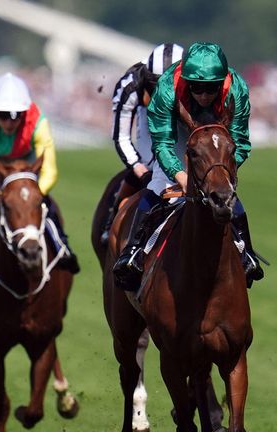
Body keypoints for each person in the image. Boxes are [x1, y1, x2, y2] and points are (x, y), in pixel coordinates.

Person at [113, 42, 263, 289]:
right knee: (161, 182)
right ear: (186, 81)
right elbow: (162, 144)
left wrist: (220, 172)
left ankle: (246, 252)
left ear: (222, 81)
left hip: (216, 130)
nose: (204, 95)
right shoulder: (166, 89)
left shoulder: (237, 89)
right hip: (177, 127)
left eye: (211, 89)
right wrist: (180, 175)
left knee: (224, 190)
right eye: (197, 88)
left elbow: (240, 142)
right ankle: (134, 250)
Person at [0, 72, 80, 274]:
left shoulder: (38, 122)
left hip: (26, 161)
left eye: (16, 116)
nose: (9, 122)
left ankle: (62, 245)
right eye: (3, 115)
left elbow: (50, 171)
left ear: (25, 113)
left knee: (42, 202)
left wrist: (34, 194)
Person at [100, 43, 184, 243]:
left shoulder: (195, 84)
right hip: (147, 113)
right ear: (147, 79)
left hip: (181, 115)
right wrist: (141, 171)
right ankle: (112, 222)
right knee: (150, 164)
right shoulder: (130, 86)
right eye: (156, 86)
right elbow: (121, 137)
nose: (162, 93)